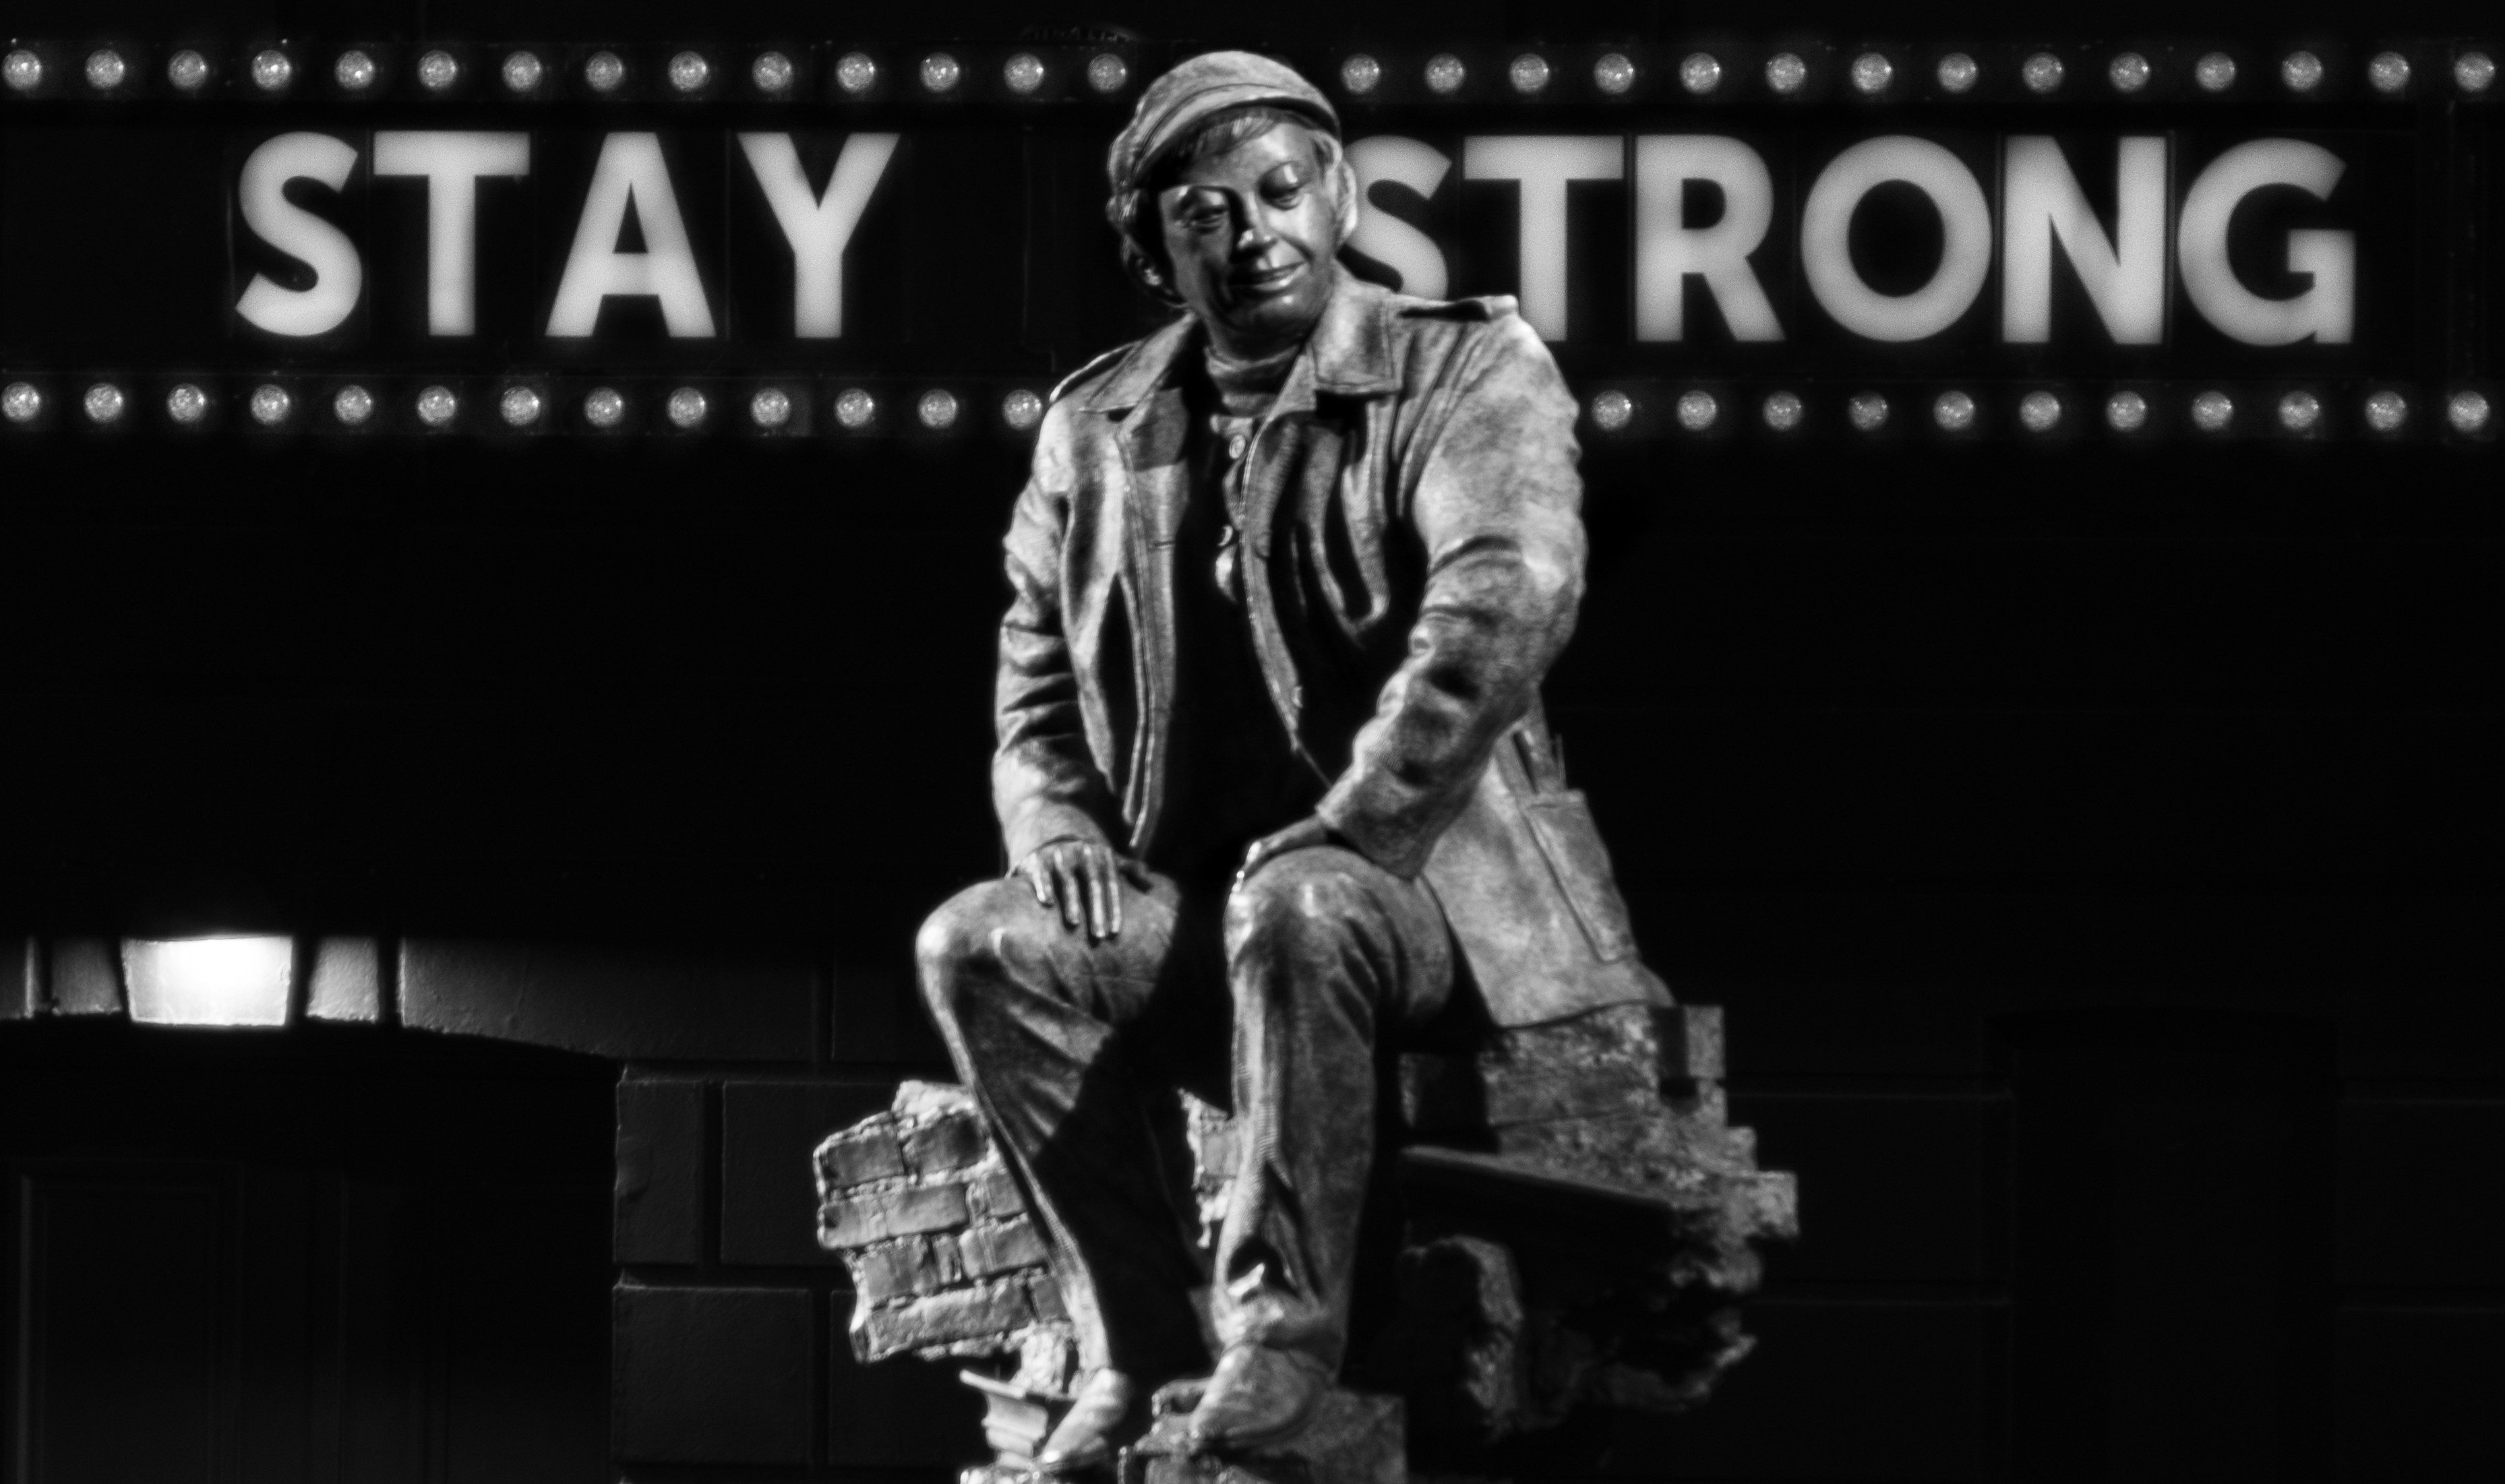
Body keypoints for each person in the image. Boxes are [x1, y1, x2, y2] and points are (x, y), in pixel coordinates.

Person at [916, 50, 1663, 1470]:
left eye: (1278, 192)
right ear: (1156, 253)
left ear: (1342, 199)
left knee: (1301, 906)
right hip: (1197, 902)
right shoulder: (1093, 424)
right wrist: (1053, 820)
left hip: (1429, 897)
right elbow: (1033, 668)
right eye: (1205, 214)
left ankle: (1281, 1341)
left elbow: (1505, 596)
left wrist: (1363, 818)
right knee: (978, 944)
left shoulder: (1465, 366)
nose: (1252, 231)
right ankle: (1139, 1347)